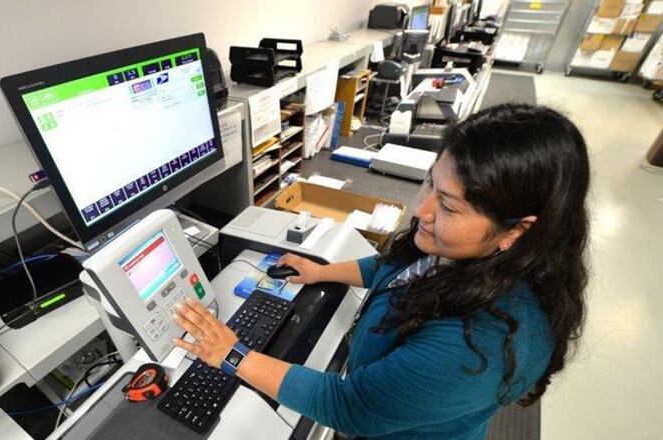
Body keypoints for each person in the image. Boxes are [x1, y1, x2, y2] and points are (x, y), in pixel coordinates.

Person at [172, 103, 590, 440]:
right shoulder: (461, 249)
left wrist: (231, 354)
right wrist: (323, 272)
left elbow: (349, 406)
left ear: (516, 230)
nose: (422, 210)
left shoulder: (480, 343)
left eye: (448, 206)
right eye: (430, 184)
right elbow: (398, 267)